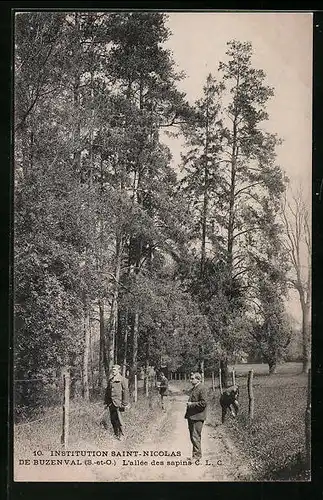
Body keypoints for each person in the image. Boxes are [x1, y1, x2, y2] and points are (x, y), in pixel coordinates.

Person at [184, 372, 207, 459]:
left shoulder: (202, 388)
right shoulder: (195, 388)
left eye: (192, 378)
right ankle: (195, 454)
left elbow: (203, 403)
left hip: (198, 416)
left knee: (195, 436)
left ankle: (197, 456)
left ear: (198, 379)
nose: (190, 380)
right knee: (193, 436)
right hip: (192, 416)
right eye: (190, 378)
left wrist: (191, 404)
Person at [104, 364, 129, 440]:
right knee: (113, 419)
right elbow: (107, 392)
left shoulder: (123, 380)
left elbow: (125, 392)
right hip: (111, 403)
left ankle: (123, 435)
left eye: (114, 370)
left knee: (120, 420)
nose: (113, 371)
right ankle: (116, 434)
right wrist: (106, 402)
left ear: (119, 370)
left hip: (119, 403)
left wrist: (124, 403)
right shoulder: (111, 380)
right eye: (112, 370)